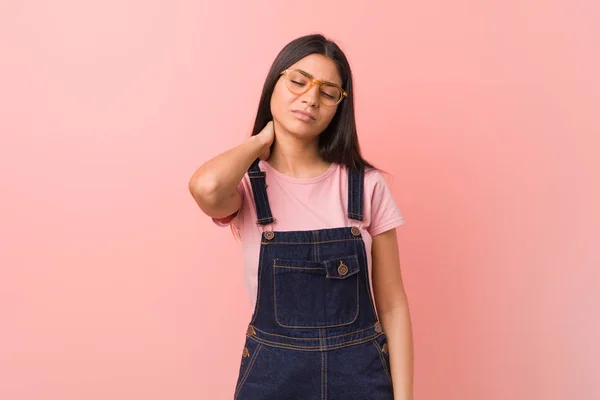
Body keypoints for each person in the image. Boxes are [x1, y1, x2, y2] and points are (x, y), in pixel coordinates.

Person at [189, 34, 414, 400]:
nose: (310, 97)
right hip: (273, 378)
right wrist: (259, 143)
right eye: (298, 81)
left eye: (328, 92)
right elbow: (206, 188)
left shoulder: (366, 186)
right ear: (274, 83)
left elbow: (393, 304)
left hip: (361, 377)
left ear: (340, 106)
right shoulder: (246, 187)